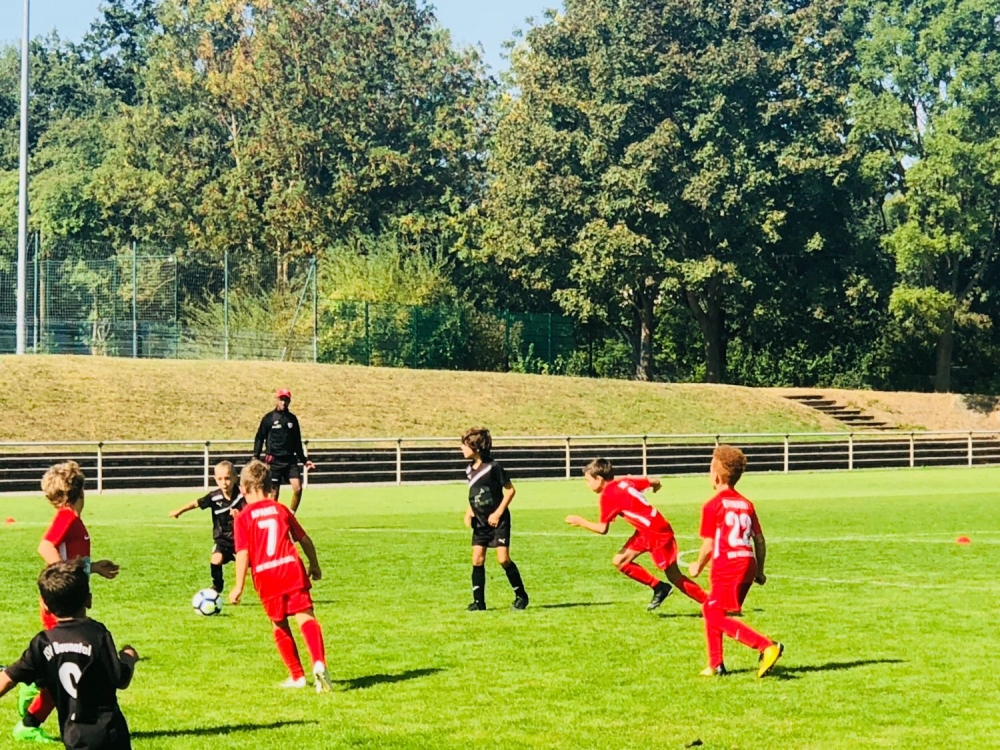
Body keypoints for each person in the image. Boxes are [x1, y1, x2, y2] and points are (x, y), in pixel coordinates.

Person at [13, 462, 121, 745]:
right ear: (80, 491)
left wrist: (93, 567)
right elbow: (45, 546)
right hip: (60, 603)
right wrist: (65, 578)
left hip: (67, 599)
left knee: (63, 665)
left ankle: (31, 708)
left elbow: (70, 557)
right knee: (63, 663)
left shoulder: (73, 520)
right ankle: (32, 690)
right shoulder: (67, 517)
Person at [0, 559, 138, 749]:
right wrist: (129, 658)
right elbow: (121, 678)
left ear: (44, 605)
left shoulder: (43, 643)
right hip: (109, 736)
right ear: (89, 600)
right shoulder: (97, 634)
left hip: (74, 737)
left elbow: (7, 679)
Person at [229, 460, 333, 693]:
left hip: (266, 575)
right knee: (306, 617)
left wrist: (238, 586)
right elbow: (304, 539)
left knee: (279, 623)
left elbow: (243, 552)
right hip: (291, 569)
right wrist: (314, 564)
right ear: (271, 487)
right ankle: (318, 662)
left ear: (243, 489)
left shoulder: (243, 517)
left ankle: (297, 676)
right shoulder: (281, 509)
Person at [687, 445, 784, 678]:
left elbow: (710, 543)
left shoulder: (713, 505)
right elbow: (759, 539)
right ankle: (715, 664)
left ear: (716, 476)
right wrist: (760, 570)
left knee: (714, 614)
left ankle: (766, 646)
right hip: (747, 562)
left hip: (727, 565)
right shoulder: (746, 504)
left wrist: (697, 565)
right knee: (713, 608)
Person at [566, 458, 706, 610]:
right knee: (620, 561)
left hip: (656, 533)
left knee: (673, 575)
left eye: (588, 481)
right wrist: (656, 486)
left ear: (599, 479)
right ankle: (659, 587)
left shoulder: (608, 495)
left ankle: (711, 604)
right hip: (647, 530)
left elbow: (602, 529)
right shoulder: (624, 482)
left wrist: (580, 521)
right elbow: (653, 481)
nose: (587, 485)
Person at [461, 428, 528, 611]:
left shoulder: (493, 467)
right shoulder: (469, 470)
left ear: (476, 447)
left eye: (464, 445)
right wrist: (469, 511)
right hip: (480, 522)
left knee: (503, 559)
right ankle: (478, 602)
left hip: (499, 521)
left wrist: (498, 513)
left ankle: (521, 596)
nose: (461, 448)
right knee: (477, 559)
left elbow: (510, 490)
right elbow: (476, 493)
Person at [168, 461, 248, 593]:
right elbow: (196, 503)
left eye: (227, 478)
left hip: (242, 539)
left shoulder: (243, 495)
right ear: (215, 479)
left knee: (251, 564)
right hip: (223, 540)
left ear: (235, 477)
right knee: (216, 559)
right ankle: (217, 585)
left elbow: (252, 511)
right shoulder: (214, 497)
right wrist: (179, 511)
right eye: (220, 479)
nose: (224, 482)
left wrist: (241, 515)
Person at [253, 389, 316, 513]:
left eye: (286, 400)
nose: (283, 402)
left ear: (289, 401)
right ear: (277, 400)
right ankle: (272, 515)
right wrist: (255, 456)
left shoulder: (292, 419)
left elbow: (297, 441)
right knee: (274, 492)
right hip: (274, 460)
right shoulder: (269, 418)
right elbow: (260, 437)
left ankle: (291, 514)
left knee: (297, 488)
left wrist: (304, 460)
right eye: (281, 399)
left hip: (289, 460)